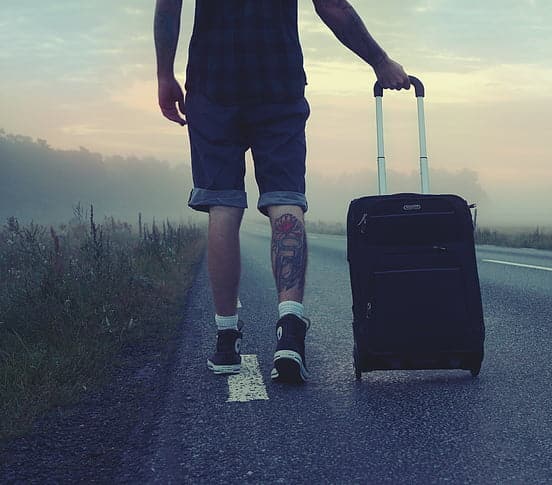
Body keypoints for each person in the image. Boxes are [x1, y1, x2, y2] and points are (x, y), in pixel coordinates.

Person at [154, 0, 410, 383]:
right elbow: (333, 7)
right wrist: (379, 60)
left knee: (222, 205)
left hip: (212, 83)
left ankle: (226, 340)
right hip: (278, 81)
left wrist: (163, 75)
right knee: (285, 199)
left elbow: (168, 9)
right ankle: (289, 330)